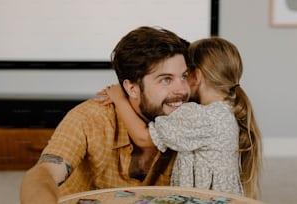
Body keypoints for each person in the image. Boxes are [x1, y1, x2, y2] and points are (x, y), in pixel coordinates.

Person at [20, 26, 191, 204]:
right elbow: (43, 173)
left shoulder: (192, 120)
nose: (182, 90)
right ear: (132, 88)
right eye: (166, 79)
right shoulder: (89, 118)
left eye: (184, 76)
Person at [96, 37, 262, 199]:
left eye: (184, 75)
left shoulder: (198, 115)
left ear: (196, 76)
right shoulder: (227, 107)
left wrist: (119, 98)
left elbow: (143, 138)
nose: (179, 85)